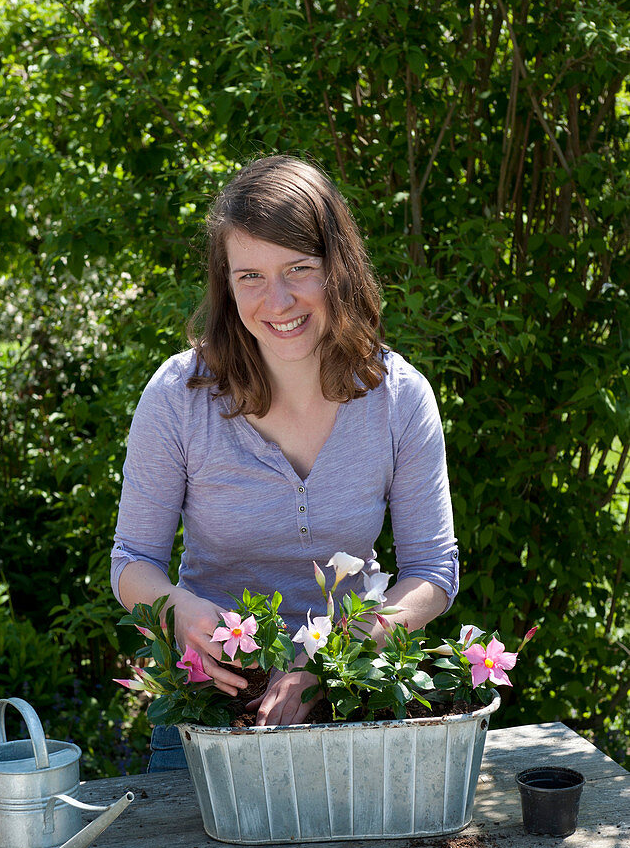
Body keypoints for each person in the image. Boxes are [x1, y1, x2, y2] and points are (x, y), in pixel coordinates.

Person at [111, 155, 458, 770]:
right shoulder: (177, 397)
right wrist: (181, 611)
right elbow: (133, 562)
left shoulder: (399, 399)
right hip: (212, 706)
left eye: (299, 269)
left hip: (352, 702)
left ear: (339, 268)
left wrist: (326, 665)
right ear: (226, 284)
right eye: (250, 276)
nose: (277, 300)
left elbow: (432, 573)